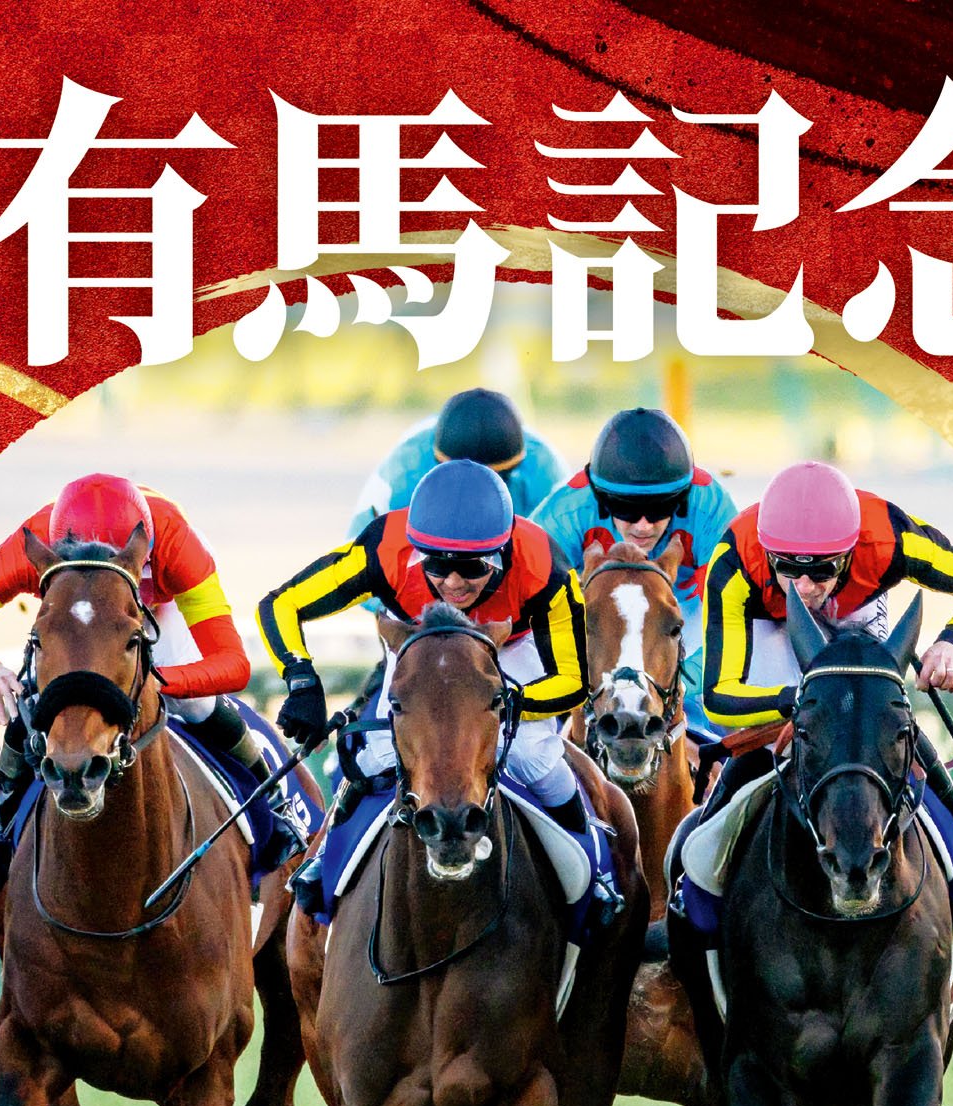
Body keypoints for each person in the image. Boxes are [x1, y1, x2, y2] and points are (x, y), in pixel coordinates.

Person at [257, 459, 622, 926]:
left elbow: (573, 679)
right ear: (416, 551)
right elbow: (281, 603)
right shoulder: (382, 548)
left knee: (533, 754)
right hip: (418, 640)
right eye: (436, 565)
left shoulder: (543, 565)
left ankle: (596, 872)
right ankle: (326, 854)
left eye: (471, 568)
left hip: (509, 646)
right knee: (375, 753)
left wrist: (507, 703)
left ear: (502, 553)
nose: (452, 583)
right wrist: (301, 679)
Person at [0, 473, 297, 898]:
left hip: (152, 611)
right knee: (32, 695)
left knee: (197, 703)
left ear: (144, 555)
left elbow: (232, 665)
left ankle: (275, 807)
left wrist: (157, 681)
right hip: (74, 619)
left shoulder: (178, 544)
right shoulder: (27, 544)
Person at [695, 459, 953, 884]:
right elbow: (718, 697)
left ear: (849, 552)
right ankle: (698, 856)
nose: (803, 587)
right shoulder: (735, 561)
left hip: (856, 608)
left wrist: (952, 641)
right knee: (768, 740)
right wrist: (794, 700)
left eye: (821, 570)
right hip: (769, 619)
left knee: (883, 717)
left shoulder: (890, 537)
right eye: (787, 567)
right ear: (767, 551)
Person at [531, 407, 735, 737]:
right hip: (601, 626)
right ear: (600, 499)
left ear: (683, 498)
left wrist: (676, 682)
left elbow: (731, 625)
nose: (643, 526)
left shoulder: (712, 509)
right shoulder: (561, 518)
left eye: (660, 509)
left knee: (718, 707)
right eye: (625, 509)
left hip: (685, 620)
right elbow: (533, 617)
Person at [344, 388, 567, 540]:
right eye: (465, 484)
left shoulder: (545, 470)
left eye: (496, 480)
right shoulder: (405, 472)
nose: (477, 498)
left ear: (516, 468)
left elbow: (565, 562)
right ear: (435, 465)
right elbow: (358, 558)